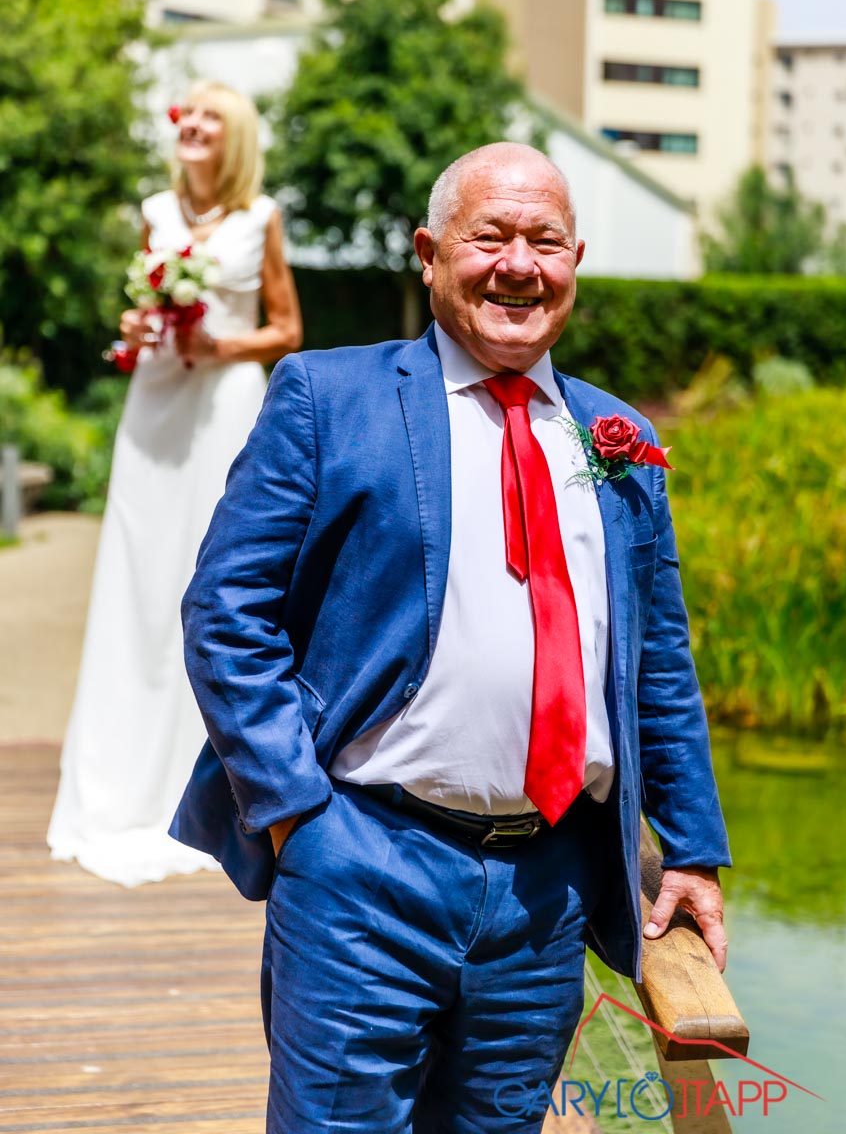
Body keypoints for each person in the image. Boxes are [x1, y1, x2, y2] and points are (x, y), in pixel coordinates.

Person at [172, 142, 730, 1132]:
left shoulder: (623, 440)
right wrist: (298, 814)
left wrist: (690, 850)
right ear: (428, 253)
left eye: (545, 240)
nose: (519, 262)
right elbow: (227, 612)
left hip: (546, 896)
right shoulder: (325, 397)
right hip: (364, 864)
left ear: (575, 261)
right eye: (490, 236)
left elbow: (656, 658)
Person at [48, 81, 302, 887]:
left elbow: (288, 330)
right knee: (135, 575)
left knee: (211, 576)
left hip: (221, 403)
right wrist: (142, 326)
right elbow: (144, 307)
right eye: (185, 114)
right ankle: (117, 782)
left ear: (235, 138)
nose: (191, 125)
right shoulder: (155, 210)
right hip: (153, 403)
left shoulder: (262, 216)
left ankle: (200, 791)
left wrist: (214, 347)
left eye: (210, 117)